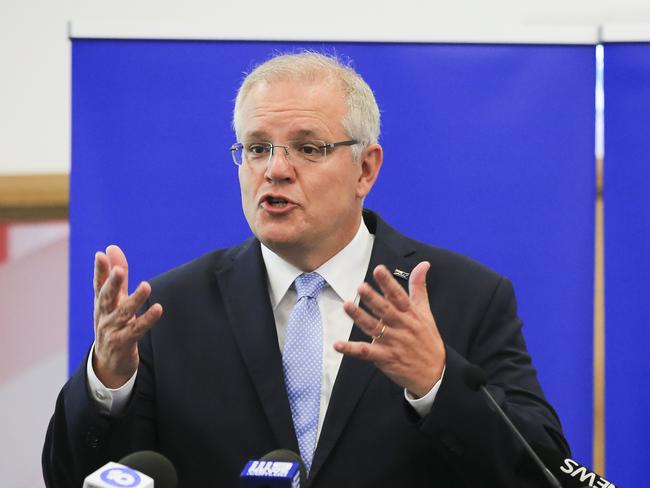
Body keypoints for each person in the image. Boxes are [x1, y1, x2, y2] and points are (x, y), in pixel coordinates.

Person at [43, 51, 569, 487]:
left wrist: (436, 381)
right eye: (256, 148)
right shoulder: (170, 310)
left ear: (366, 168)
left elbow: (542, 470)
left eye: (307, 148)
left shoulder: (466, 298)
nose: (274, 169)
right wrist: (107, 382)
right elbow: (72, 477)